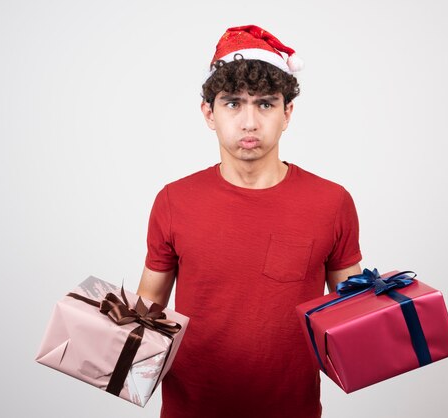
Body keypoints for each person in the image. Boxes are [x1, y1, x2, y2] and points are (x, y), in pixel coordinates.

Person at [137, 25, 362, 418]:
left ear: (287, 112)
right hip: (191, 410)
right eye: (232, 103)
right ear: (209, 112)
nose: (249, 122)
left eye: (264, 104)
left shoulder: (332, 202)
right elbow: (145, 313)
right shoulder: (173, 201)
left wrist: (399, 310)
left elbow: (352, 316)